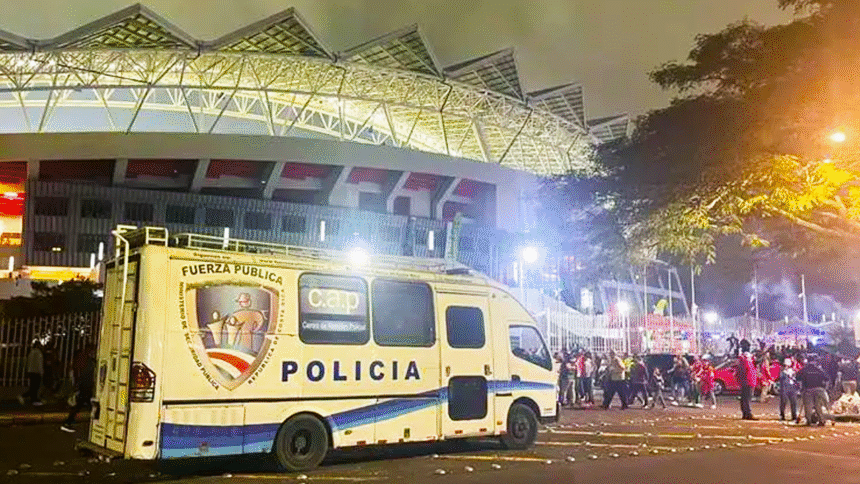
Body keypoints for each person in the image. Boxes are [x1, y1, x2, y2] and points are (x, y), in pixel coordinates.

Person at [60, 344, 96, 433]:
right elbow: (78, 371)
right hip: (85, 385)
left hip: (86, 385)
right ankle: (68, 422)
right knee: (84, 404)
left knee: (83, 404)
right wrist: (77, 384)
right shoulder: (85, 360)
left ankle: (69, 421)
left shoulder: (89, 360)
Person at [797, 355, 835, 426]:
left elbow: (797, 377)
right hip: (819, 389)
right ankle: (821, 420)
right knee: (818, 406)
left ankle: (808, 421)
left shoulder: (804, 369)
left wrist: (802, 386)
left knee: (808, 406)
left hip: (808, 389)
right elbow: (827, 378)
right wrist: (825, 388)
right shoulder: (819, 369)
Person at [18, 341, 44, 406]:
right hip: (36, 372)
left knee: (33, 386)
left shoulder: (31, 352)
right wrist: (41, 372)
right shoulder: (38, 353)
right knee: (35, 387)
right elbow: (39, 363)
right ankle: (32, 399)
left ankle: (33, 399)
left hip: (31, 371)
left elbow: (28, 362)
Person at [737, 339, 757, 420]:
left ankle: (745, 413)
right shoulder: (747, 358)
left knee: (744, 398)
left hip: (745, 380)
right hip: (749, 380)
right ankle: (748, 413)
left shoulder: (743, 358)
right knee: (747, 398)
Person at [778, 357, 799, 422]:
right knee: (783, 403)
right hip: (784, 388)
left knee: (794, 402)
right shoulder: (782, 372)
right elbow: (780, 378)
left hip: (792, 388)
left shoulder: (792, 370)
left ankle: (794, 416)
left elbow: (796, 379)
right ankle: (782, 415)